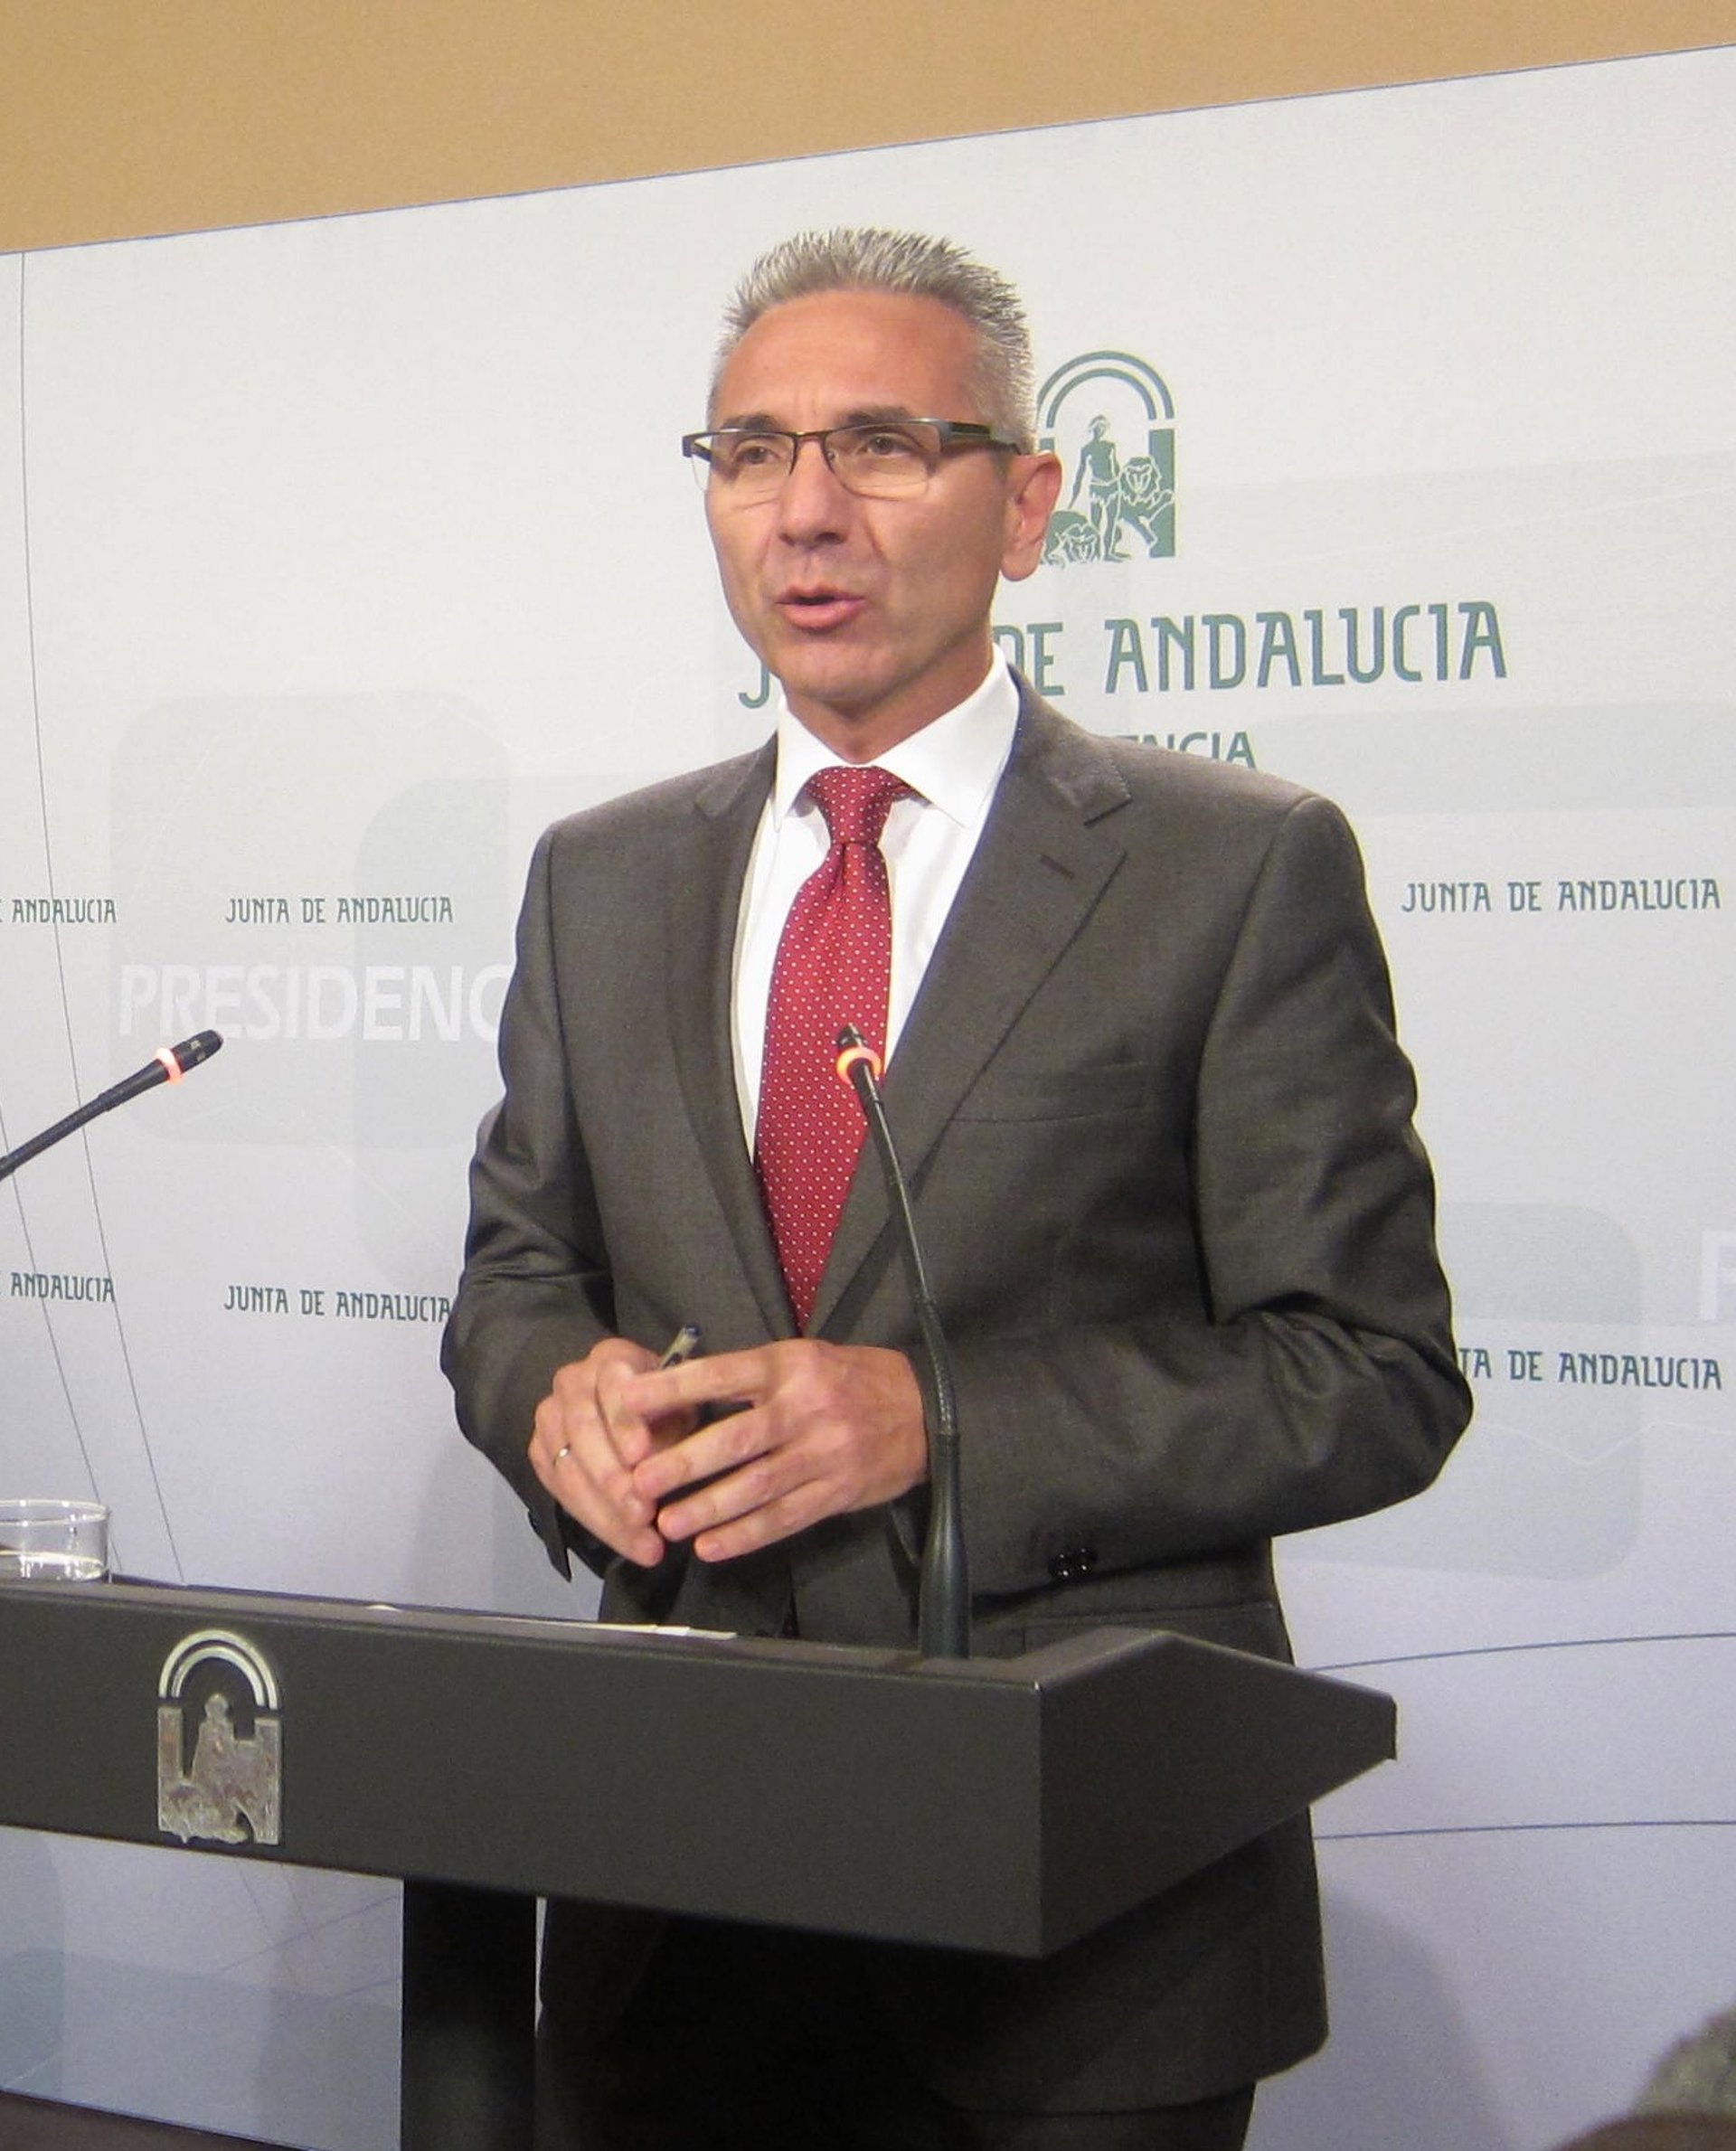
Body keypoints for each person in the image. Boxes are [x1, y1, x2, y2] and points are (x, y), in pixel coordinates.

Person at [443, 227, 1471, 2151]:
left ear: (1028, 502)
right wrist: (551, 1394)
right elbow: (516, 1277)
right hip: (677, 1903)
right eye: (752, 452)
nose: (806, 511)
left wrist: (939, 1421)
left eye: (882, 445)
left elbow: (1370, 1372)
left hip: (1083, 1942)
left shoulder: (1231, 868)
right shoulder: (603, 877)